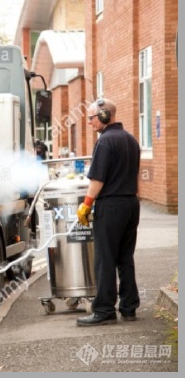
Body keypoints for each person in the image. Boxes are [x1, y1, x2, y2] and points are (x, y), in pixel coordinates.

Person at [76, 97, 141, 327]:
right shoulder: (131, 140)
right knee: (125, 257)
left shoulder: (105, 142)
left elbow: (98, 179)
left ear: (104, 116)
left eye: (92, 118)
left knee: (104, 258)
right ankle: (129, 307)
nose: (90, 122)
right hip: (131, 203)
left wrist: (86, 204)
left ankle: (104, 311)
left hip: (111, 205)